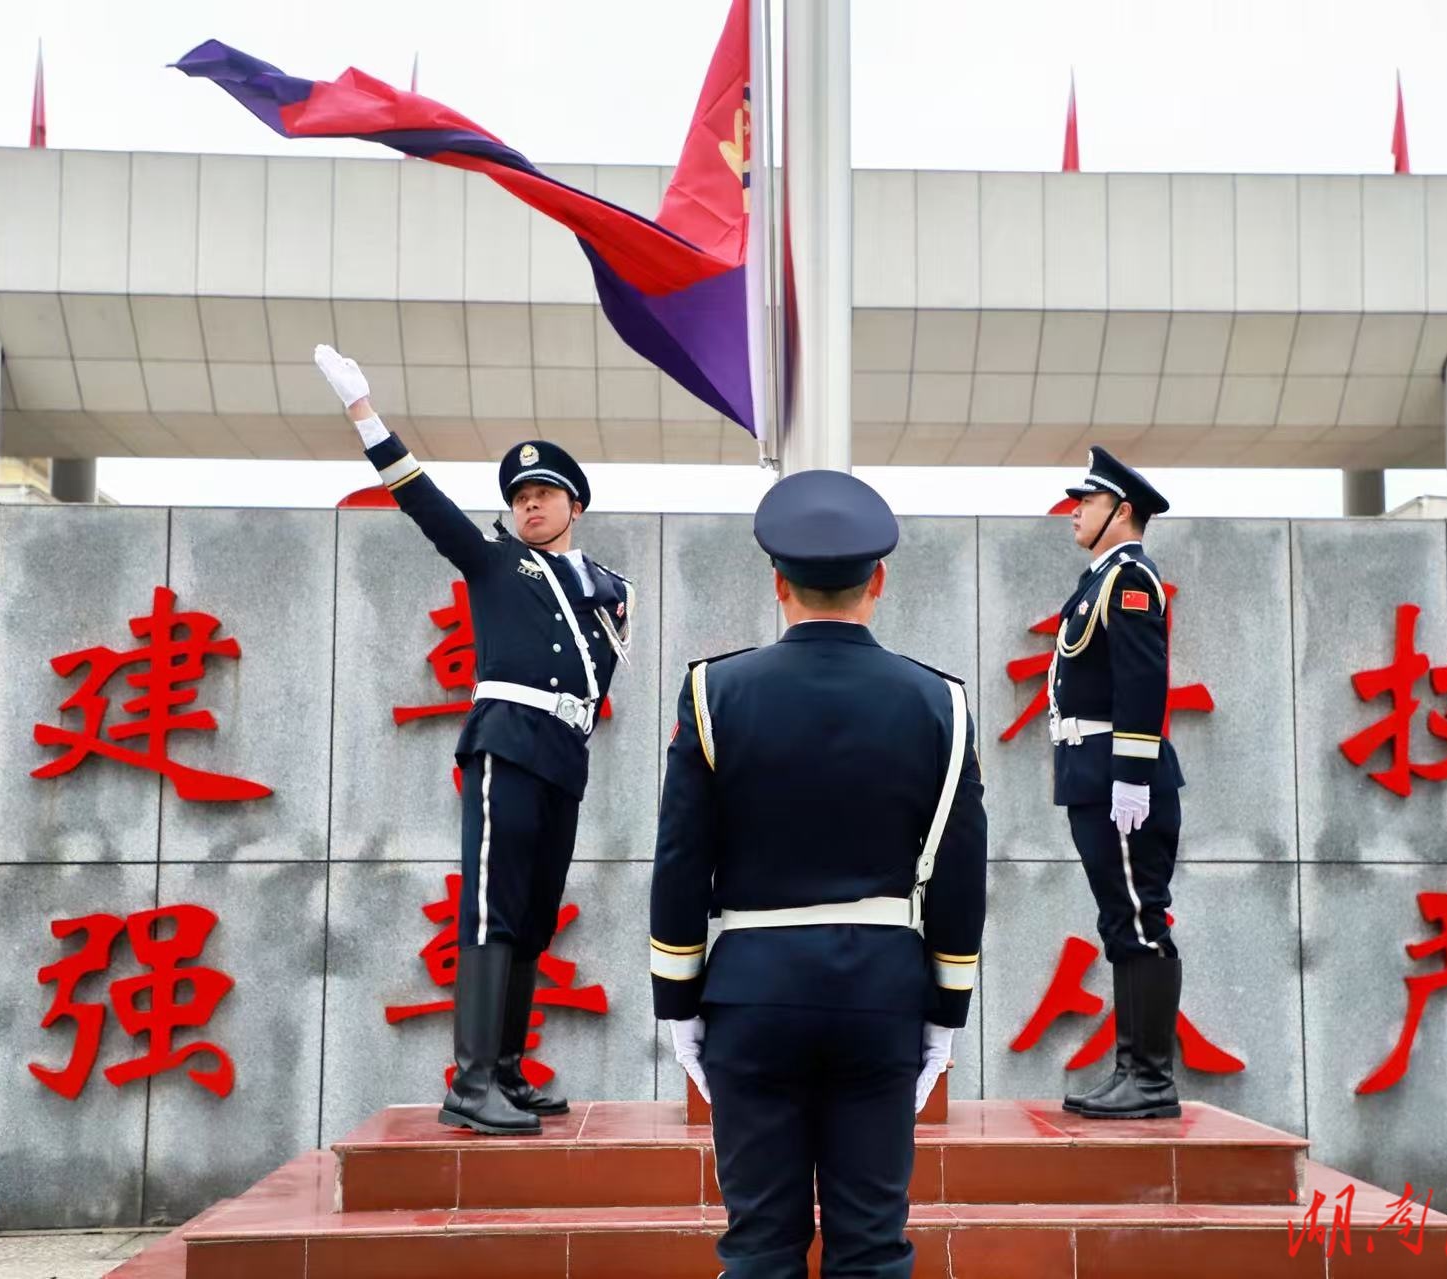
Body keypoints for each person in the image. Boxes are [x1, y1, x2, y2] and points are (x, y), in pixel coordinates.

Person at [649, 469, 988, 1279]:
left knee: (760, 1247)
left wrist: (678, 1006)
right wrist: (943, 1014)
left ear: (777, 584)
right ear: (879, 580)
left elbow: (679, 860)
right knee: (871, 1248)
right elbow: (959, 871)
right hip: (881, 994)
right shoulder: (940, 701)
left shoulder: (713, 691)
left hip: (751, 995)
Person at [315, 344, 633, 1136]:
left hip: (565, 755)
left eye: (545, 494)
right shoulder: (494, 561)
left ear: (574, 506)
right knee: (492, 905)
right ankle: (471, 1080)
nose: (530, 505)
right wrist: (366, 415)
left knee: (532, 914)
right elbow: (421, 500)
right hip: (506, 740)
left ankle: (510, 1069)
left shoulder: (606, 590)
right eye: (521, 495)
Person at [1049, 446, 1185, 1121]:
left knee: (1140, 919)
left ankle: (1150, 1078)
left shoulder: (1129, 579)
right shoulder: (1098, 580)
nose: (1074, 512)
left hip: (1117, 776)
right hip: (1090, 773)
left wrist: (1129, 777)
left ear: (1120, 510)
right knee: (1120, 921)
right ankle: (1132, 1071)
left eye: (1087, 501)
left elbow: (1141, 681)